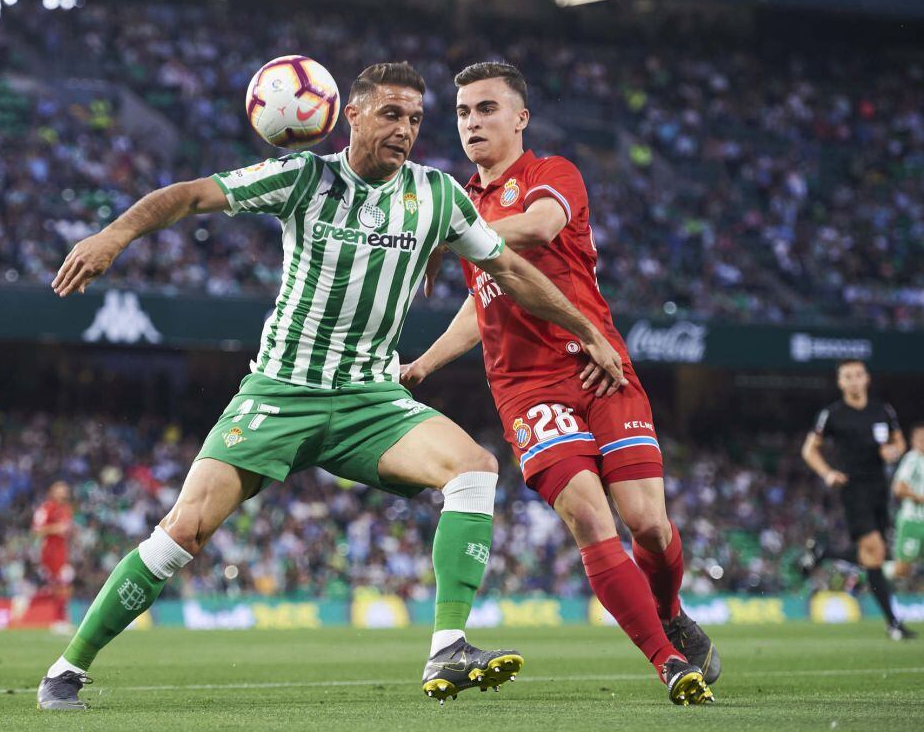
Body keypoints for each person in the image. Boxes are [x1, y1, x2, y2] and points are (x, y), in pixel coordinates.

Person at [37, 61, 629, 710]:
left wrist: (590, 330)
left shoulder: (437, 196)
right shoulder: (304, 179)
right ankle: (67, 668)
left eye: (413, 118)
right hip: (281, 392)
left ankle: (448, 645)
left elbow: (511, 269)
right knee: (183, 531)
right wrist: (114, 234)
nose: (404, 128)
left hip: (369, 400)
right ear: (350, 115)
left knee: (473, 467)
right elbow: (190, 195)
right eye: (390, 114)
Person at [401, 62, 718, 706]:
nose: (472, 123)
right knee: (589, 518)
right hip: (528, 389)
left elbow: (542, 227)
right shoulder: (464, 204)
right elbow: (482, 301)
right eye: (462, 113)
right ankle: (668, 661)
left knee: (649, 525)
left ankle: (671, 610)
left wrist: (452, 236)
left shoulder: (553, 175)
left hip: (600, 365)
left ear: (520, 118)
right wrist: (425, 365)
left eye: (486, 109)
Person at [800, 359, 915, 640]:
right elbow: (809, 450)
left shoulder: (882, 410)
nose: (853, 380)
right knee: (873, 549)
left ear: (867, 379)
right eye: (847, 376)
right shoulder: (833, 414)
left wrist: (894, 451)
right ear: (840, 383)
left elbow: (899, 442)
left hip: (880, 488)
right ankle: (894, 623)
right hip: (853, 489)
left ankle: (825, 553)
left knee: (872, 556)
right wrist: (827, 473)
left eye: (857, 375)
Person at [33, 481, 74, 632]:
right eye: (60, 489)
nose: (64, 492)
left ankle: (61, 619)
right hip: (50, 552)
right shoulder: (46, 508)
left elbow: (66, 530)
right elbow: (37, 530)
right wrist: (55, 528)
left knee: (63, 586)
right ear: (52, 491)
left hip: (62, 551)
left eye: (65, 489)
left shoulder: (67, 509)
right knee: (60, 586)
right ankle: (58, 620)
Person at [892, 423, 924, 582]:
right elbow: (898, 489)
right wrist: (920, 497)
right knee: (902, 570)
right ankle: (867, 573)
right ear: (913, 440)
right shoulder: (912, 459)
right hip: (913, 521)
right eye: (919, 437)